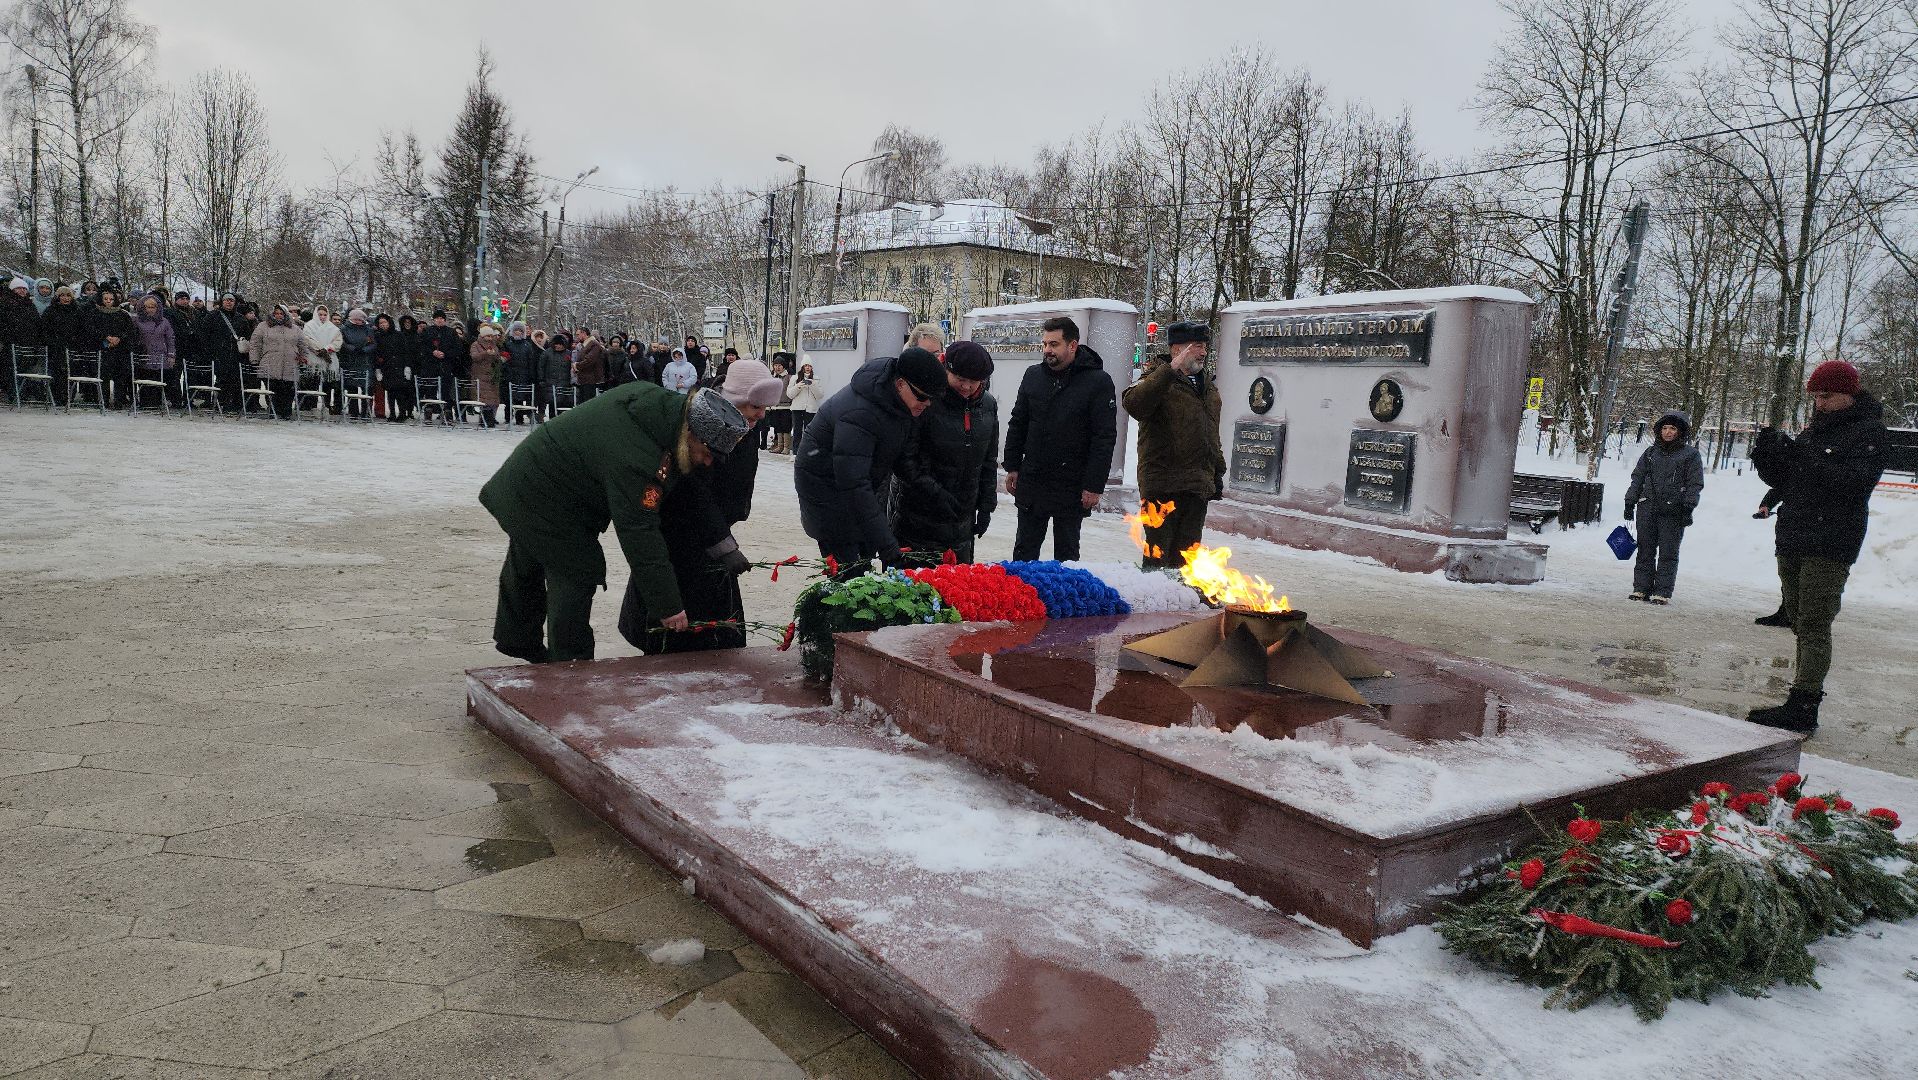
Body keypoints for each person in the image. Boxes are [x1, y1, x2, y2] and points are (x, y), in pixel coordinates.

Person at [481, 384, 750, 663]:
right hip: (547, 495)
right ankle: (570, 666)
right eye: (707, 452)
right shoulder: (639, 460)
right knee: (576, 571)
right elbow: (639, 533)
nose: (708, 462)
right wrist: (668, 606)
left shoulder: (662, 411)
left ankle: (517, 638)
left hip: (528, 478)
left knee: (528, 553)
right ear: (691, 433)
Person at [1746, 360, 1888, 733]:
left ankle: (1804, 704)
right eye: (1815, 397)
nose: (1819, 403)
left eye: (1826, 396)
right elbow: (1789, 479)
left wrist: (1802, 458)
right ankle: (1801, 697)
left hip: (1832, 538)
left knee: (1814, 623)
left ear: (1848, 394)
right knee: (1797, 617)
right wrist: (1769, 458)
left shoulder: (1869, 432)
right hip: (1794, 532)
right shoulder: (1815, 430)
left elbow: (1853, 484)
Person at [619, 358, 788, 654]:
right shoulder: (704, 424)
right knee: (684, 630)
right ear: (735, 400)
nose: (761, 415)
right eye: (755, 407)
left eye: (765, 408)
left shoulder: (741, 424)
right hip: (684, 538)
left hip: (713, 533)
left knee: (716, 629)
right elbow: (693, 492)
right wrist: (723, 545)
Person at [793, 347, 945, 567]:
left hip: (856, 489)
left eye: (932, 399)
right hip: (827, 493)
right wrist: (886, 544)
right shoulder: (861, 413)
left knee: (865, 559)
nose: (927, 403)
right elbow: (854, 483)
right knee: (850, 572)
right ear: (900, 384)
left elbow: (903, 461)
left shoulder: (900, 405)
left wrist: (936, 493)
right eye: (922, 397)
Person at [1002, 315, 1118, 562]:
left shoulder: (1098, 381)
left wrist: (1094, 485)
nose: (1047, 350)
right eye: (1045, 344)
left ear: (1072, 345)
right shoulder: (1033, 375)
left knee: (1067, 556)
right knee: (1024, 552)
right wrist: (1012, 466)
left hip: (1071, 484)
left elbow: (1103, 437)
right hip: (1033, 480)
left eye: (1054, 344)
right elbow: (1018, 422)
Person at [1122, 321, 1224, 569]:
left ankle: (1179, 594)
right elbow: (1134, 404)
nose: (1203, 352)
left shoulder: (1208, 388)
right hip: (1162, 486)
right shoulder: (1156, 378)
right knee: (1157, 558)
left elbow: (1211, 435)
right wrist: (1170, 369)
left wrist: (1216, 473)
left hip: (1196, 486)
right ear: (1177, 349)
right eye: (1197, 346)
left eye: (1205, 346)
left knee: (1186, 561)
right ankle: (1153, 594)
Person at [894, 341, 999, 563]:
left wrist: (986, 506)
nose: (966, 387)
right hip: (919, 518)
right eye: (960, 379)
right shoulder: (926, 400)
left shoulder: (988, 405)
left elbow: (988, 460)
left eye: (973, 381)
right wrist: (935, 493)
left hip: (962, 522)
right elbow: (906, 459)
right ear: (946, 370)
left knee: (957, 581)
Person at [1621, 410, 1705, 604]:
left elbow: (1694, 484)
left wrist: (1688, 507)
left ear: (1680, 431)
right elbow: (1638, 478)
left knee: (1668, 553)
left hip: (1673, 511)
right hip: (1647, 508)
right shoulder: (1651, 453)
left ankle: (1662, 592)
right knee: (1645, 551)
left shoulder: (1690, 455)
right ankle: (1641, 588)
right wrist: (1630, 501)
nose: (1668, 432)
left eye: (1672, 428)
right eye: (1665, 428)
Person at [249, 305, 303, 419]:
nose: (279, 316)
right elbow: (255, 344)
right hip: (269, 363)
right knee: (273, 389)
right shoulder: (263, 326)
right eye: (276, 313)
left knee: (288, 390)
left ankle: (286, 412)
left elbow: (302, 345)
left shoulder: (295, 328)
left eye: (281, 313)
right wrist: (254, 360)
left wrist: (304, 359)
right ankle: (273, 410)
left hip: (290, 363)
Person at [200, 294, 252, 412]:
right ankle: (219, 403)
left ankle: (234, 404)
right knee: (221, 380)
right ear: (222, 302)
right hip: (219, 354)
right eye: (226, 300)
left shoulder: (240, 318)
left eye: (231, 300)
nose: (229, 303)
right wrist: (210, 351)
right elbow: (204, 335)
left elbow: (247, 335)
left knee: (235, 380)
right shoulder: (213, 316)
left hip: (236, 355)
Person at [88, 287, 136, 408]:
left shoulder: (122, 314)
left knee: (120, 377)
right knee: (103, 376)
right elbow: (91, 330)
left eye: (111, 299)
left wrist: (119, 338)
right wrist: (106, 338)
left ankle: (119, 401)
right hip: (101, 349)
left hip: (120, 350)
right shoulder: (94, 313)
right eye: (106, 299)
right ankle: (103, 401)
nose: (108, 301)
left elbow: (129, 331)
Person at [130, 294, 178, 408]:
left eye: (153, 307)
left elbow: (170, 339)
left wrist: (171, 355)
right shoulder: (136, 321)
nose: (151, 309)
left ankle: (157, 402)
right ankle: (145, 402)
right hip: (143, 356)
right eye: (148, 307)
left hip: (160, 357)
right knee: (145, 380)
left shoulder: (164, 321)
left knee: (158, 380)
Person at [1753, 487, 1790, 626]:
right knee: (1788, 571)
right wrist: (1766, 505)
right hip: (1791, 527)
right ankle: (1788, 612)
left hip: (1818, 527)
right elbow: (1780, 486)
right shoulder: (1796, 474)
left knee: (1810, 575)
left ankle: (1801, 617)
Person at [420, 309, 462, 424]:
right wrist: (432, 352)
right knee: (430, 390)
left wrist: (446, 354)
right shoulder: (427, 331)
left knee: (446, 392)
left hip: (446, 366)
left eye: (442, 319)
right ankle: (428, 414)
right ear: (434, 320)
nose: (440, 320)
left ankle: (447, 415)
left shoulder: (451, 332)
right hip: (430, 366)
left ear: (445, 320)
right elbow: (422, 346)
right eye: (437, 318)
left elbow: (457, 348)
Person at [299, 304, 343, 414]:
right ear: (316, 314)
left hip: (329, 360)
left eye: (324, 315)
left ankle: (326, 406)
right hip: (313, 359)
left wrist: (327, 349)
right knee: (312, 383)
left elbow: (338, 342)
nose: (322, 317)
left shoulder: (333, 328)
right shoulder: (309, 326)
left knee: (327, 384)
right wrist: (319, 350)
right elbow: (307, 340)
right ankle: (309, 406)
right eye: (320, 314)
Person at [338, 309, 377, 418]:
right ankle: (353, 410)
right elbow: (342, 342)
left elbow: (373, 344)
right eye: (355, 319)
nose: (357, 321)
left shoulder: (368, 330)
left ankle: (366, 411)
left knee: (367, 388)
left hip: (365, 361)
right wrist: (352, 348)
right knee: (352, 387)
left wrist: (364, 350)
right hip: (350, 360)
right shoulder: (344, 329)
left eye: (360, 320)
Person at [501, 321, 541, 424]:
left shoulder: (527, 345)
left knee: (520, 398)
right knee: (509, 398)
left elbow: (531, 361)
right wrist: (507, 371)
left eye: (520, 330)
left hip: (524, 375)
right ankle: (508, 418)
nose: (518, 332)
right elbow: (504, 360)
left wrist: (531, 375)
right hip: (510, 375)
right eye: (516, 330)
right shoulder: (507, 344)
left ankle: (519, 418)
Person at [469, 323, 503, 427]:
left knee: (492, 399)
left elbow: (497, 357)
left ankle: (490, 418)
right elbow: (474, 357)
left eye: (491, 336)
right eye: (488, 336)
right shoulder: (475, 345)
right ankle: (485, 419)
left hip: (492, 375)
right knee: (484, 399)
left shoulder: (494, 345)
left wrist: (496, 356)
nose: (490, 338)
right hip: (480, 375)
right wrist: (485, 353)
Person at [789, 361, 822, 444]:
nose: (807, 368)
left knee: (810, 430)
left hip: (811, 408)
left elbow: (819, 395)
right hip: (797, 408)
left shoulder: (816, 378)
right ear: (802, 367)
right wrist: (798, 386)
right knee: (797, 430)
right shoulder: (795, 378)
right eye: (805, 365)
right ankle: (796, 449)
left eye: (809, 366)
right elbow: (790, 394)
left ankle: (808, 448)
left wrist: (812, 385)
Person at [541, 332, 572, 418]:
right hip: (550, 383)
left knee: (562, 405)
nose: (558, 346)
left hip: (564, 383)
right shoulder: (547, 353)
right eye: (556, 344)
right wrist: (542, 380)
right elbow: (541, 367)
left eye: (560, 344)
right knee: (552, 404)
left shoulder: (568, 353)